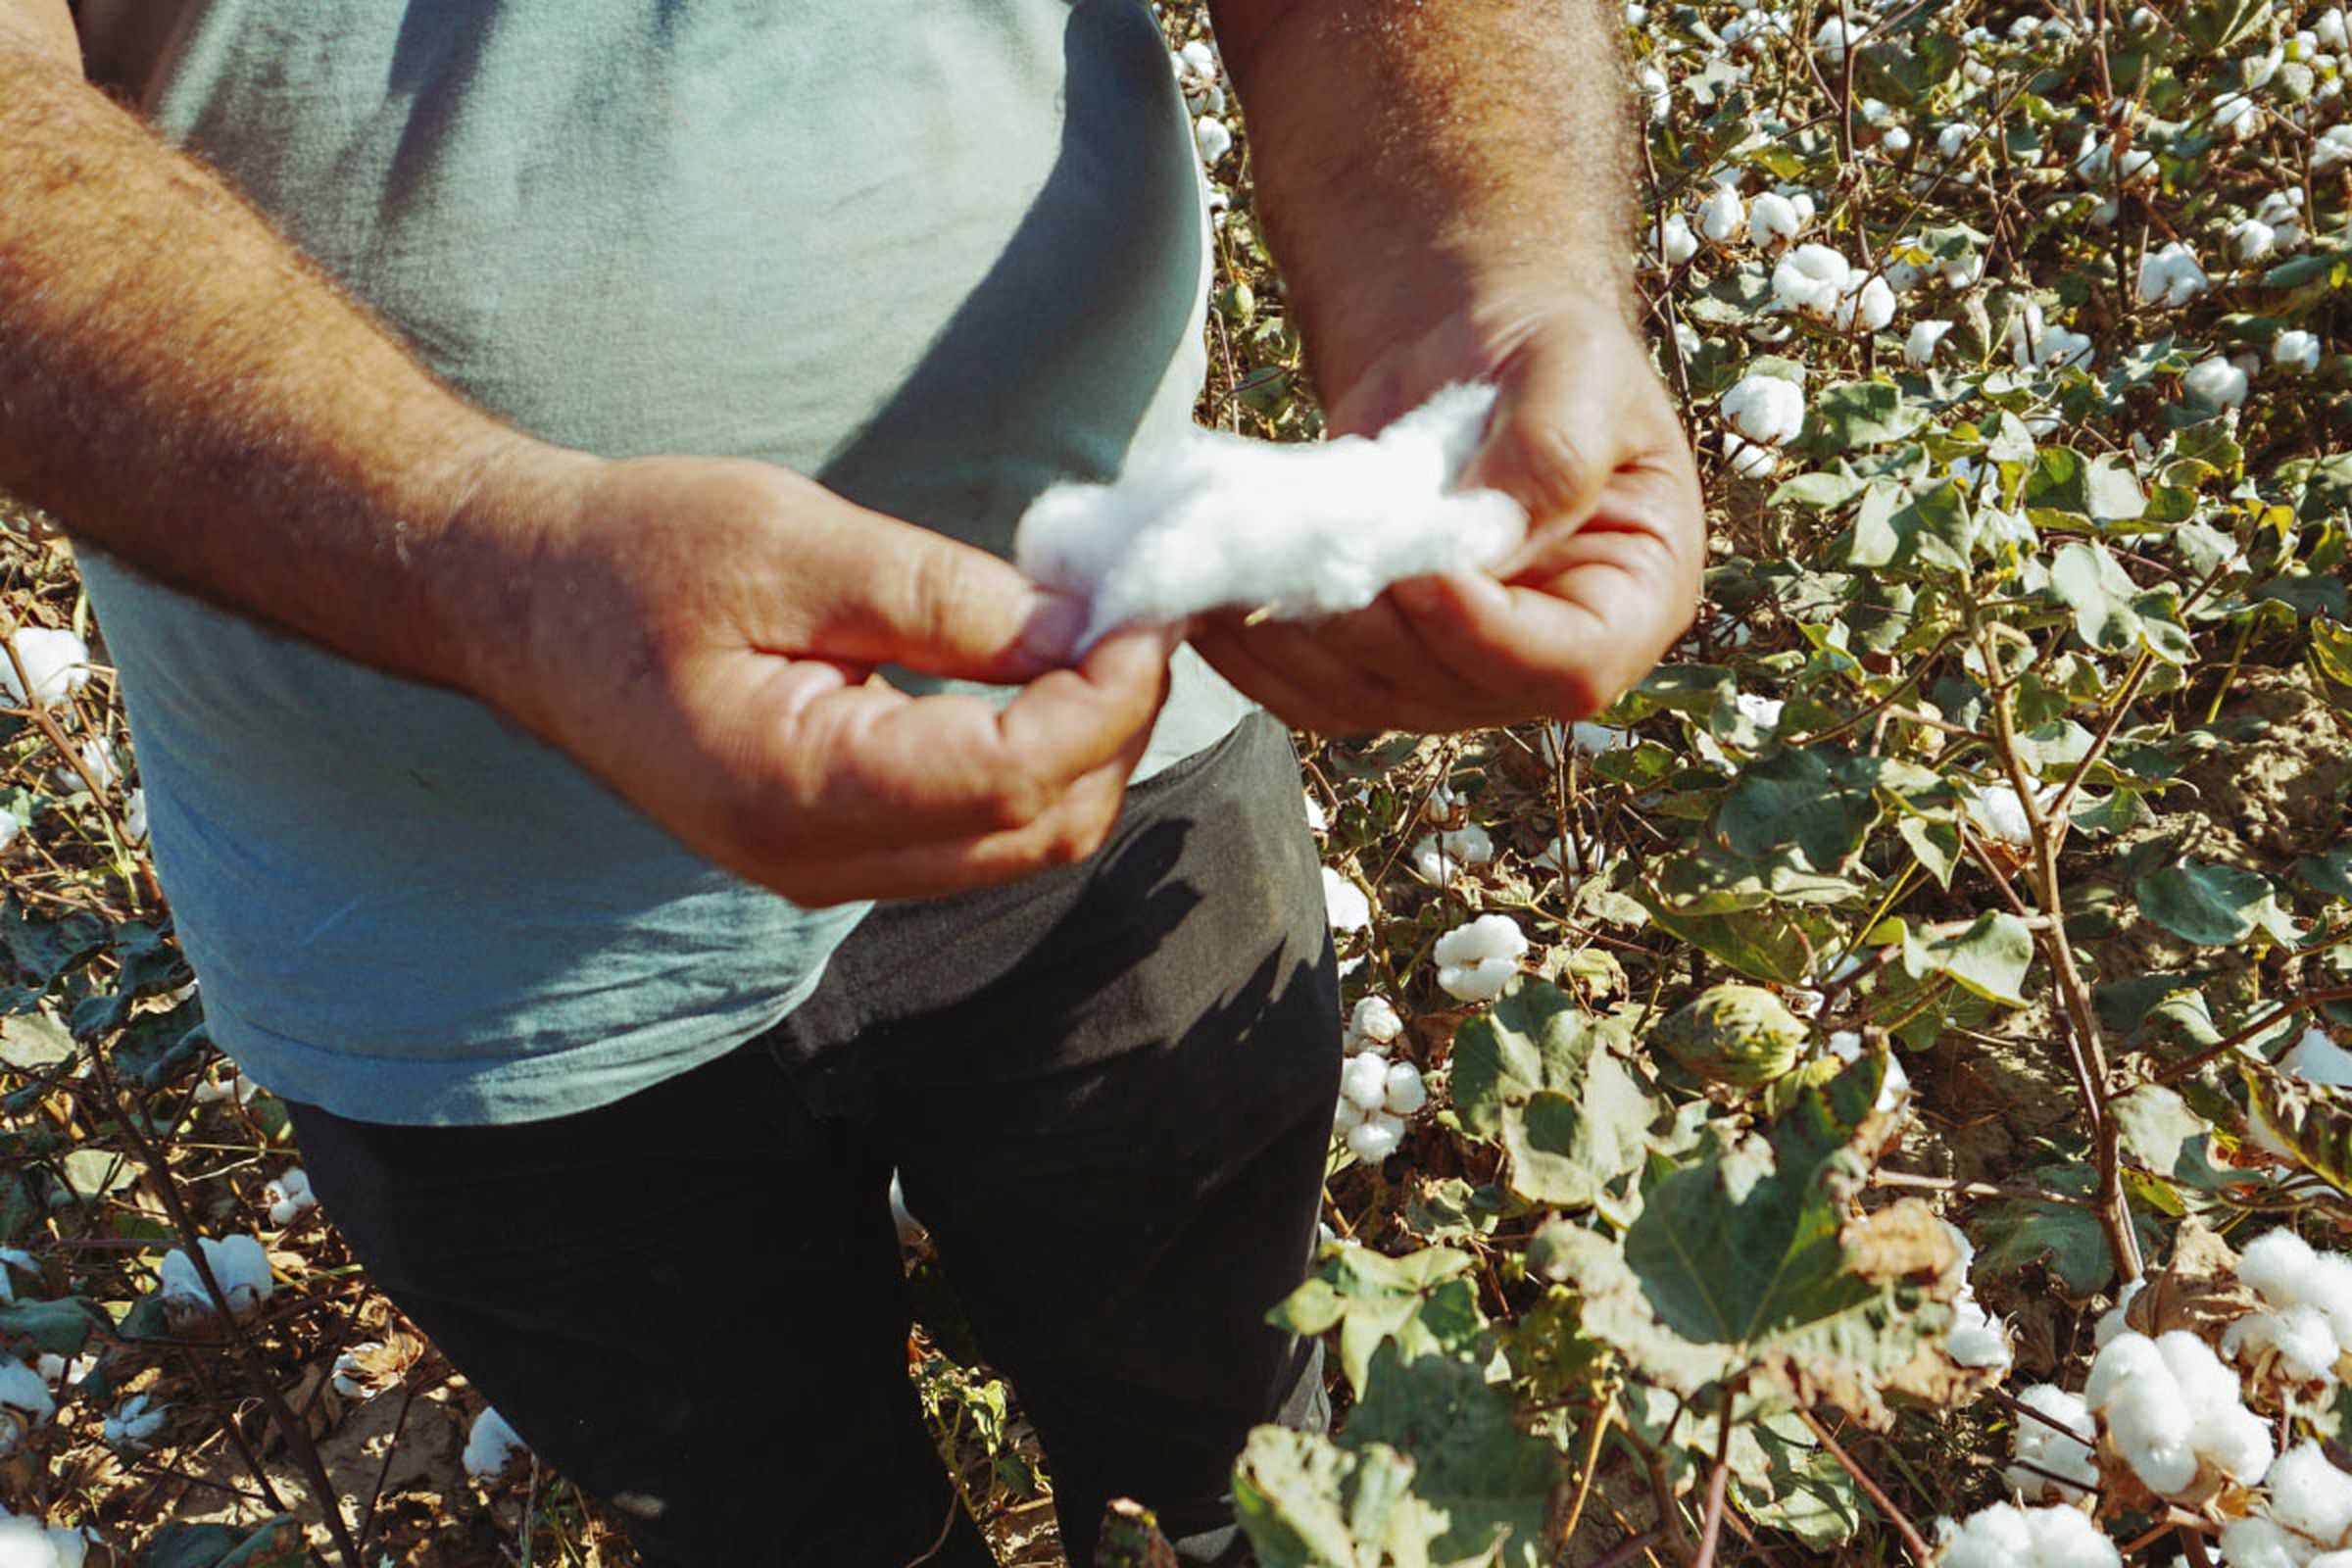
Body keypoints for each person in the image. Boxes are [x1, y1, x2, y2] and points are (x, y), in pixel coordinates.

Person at [0, 0, 1704, 1562]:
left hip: (1134, 792)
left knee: (1244, 1464)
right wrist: (472, 562)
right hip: (465, 953)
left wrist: (1485, 264)